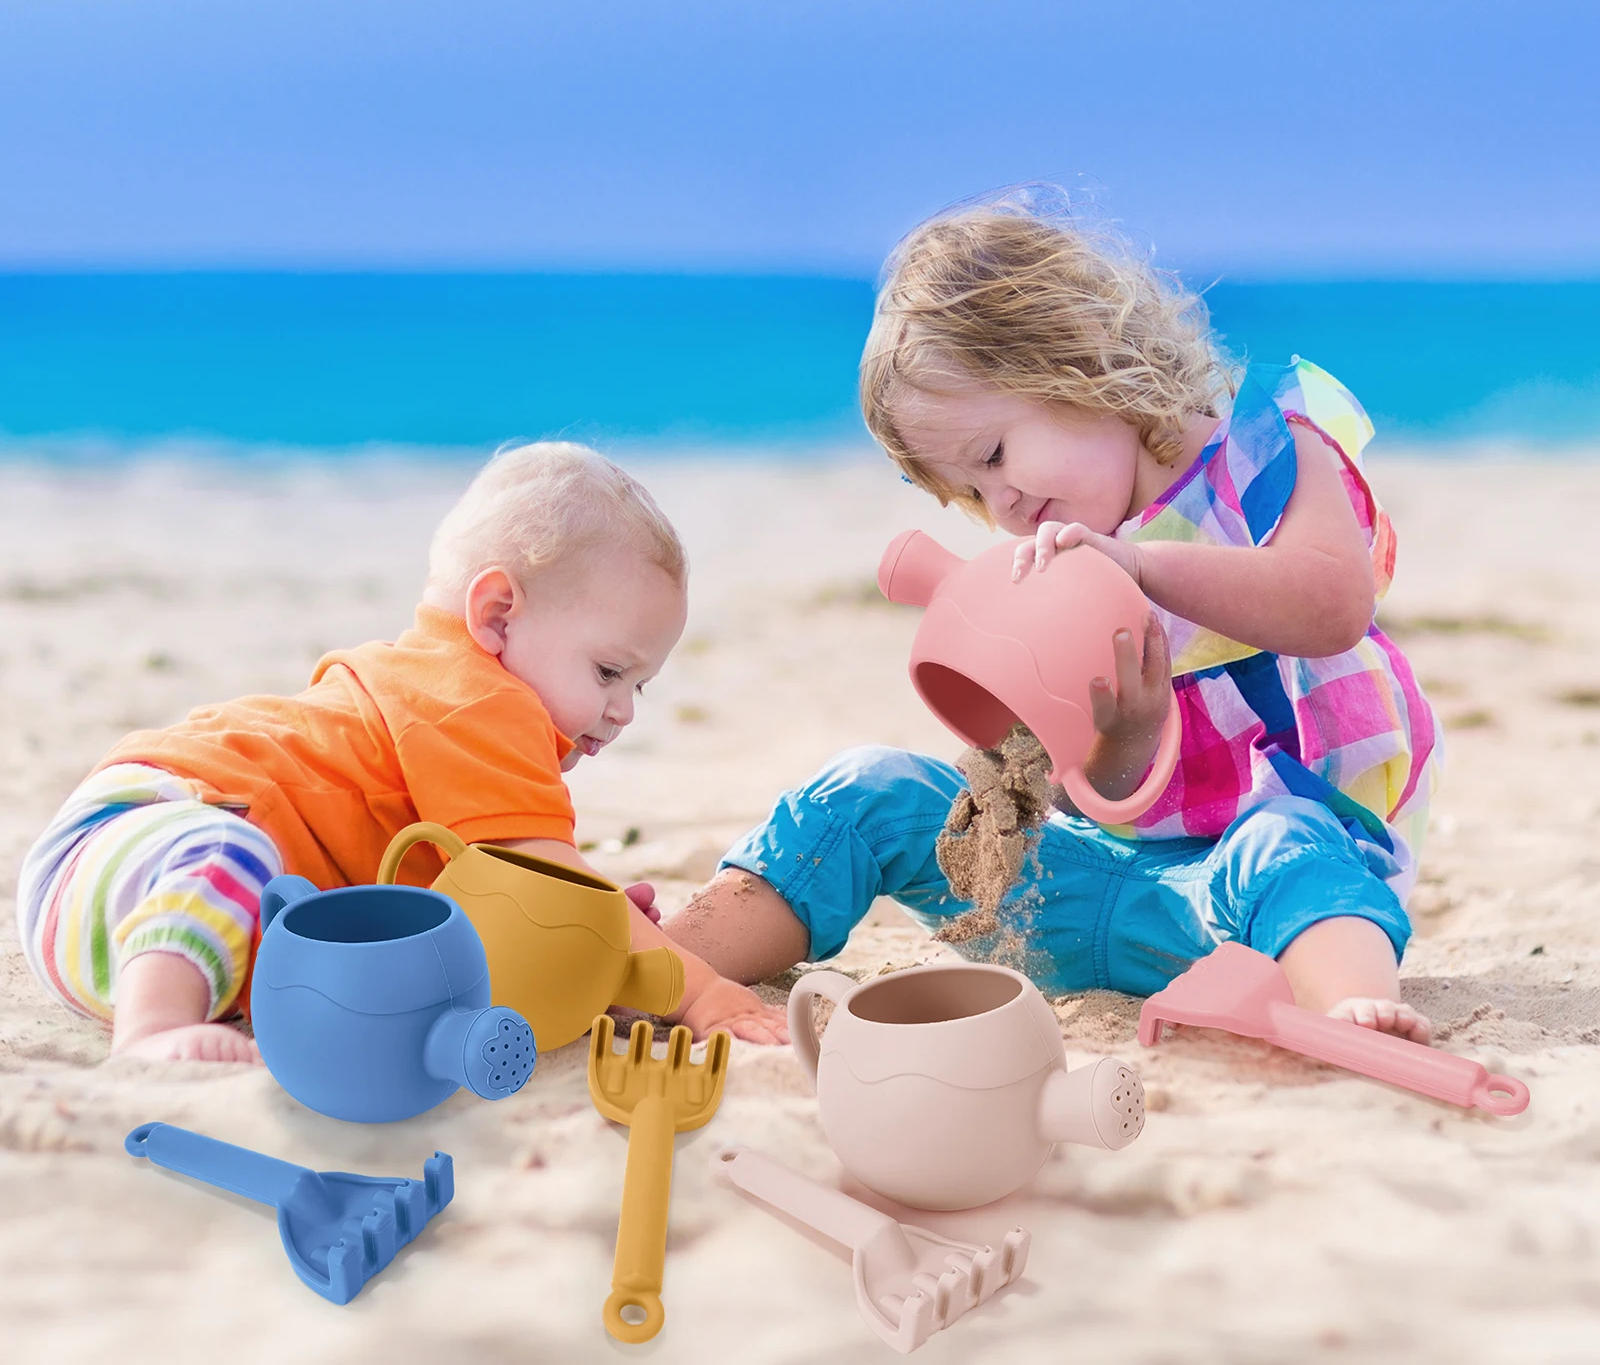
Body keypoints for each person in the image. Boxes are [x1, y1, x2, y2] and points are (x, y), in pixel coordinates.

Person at [664, 190, 1440, 1042]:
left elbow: (1333, 603)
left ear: (1076, 357)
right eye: (969, 490)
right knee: (869, 791)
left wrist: (1144, 567)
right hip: (1093, 904)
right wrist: (1128, 740)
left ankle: (1350, 1019)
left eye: (995, 453)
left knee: (1285, 836)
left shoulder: (1268, 449)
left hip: (1277, 908)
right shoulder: (1059, 568)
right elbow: (1088, 799)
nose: (1003, 501)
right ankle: (664, 965)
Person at [17, 441, 789, 1060]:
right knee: (233, 854)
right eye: (609, 672)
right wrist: (696, 991)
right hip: (139, 842)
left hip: (129, 934)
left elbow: (513, 901)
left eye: (641, 687)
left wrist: (582, 936)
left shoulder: (450, 708)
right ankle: (152, 1032)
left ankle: (170, 1003)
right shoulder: (477, 695)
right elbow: (547, 869)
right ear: (495, 615)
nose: (621, 712)